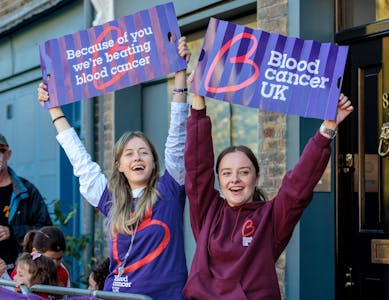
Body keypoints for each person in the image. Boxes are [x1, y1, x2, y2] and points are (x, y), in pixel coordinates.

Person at [37, 37, 191, 300]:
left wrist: (180, 74)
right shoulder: (111, 199)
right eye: (129, 154)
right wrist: (54, 110)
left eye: (143, 152)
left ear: (154, 161)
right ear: (119, 166)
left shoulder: (170, 189)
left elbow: (177, 134)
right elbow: (80, 160)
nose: (137, 158)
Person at [183, 93, 354, 299]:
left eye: (244, 172)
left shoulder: (271, 218)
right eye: (227, 173)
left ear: (256, 177)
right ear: (219, 180)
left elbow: (297, 187)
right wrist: (198, 102)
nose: (235, 179)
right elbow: (197, 165)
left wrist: (328, 127)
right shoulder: (207, 212)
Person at [0, 134, 52, 275]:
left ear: (8, 154)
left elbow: (46, 232)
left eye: (0, 150)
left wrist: (11, 231)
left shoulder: (27, 191)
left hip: (19, 274)